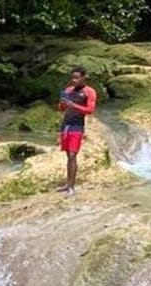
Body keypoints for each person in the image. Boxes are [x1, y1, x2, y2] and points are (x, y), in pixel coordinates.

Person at [57, 66, 97, 196]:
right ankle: (67, 184)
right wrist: (63, 103)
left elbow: (90, 110)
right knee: (68, 156)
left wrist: (73, 105)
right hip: (66, 125)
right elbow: (61, 108)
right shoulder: (68, 90)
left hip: (77, 126)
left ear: (83, 78)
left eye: (77, 78)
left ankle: (72, 187)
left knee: (73, 155)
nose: (74, 80)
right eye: (72, 78)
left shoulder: (89, 92)